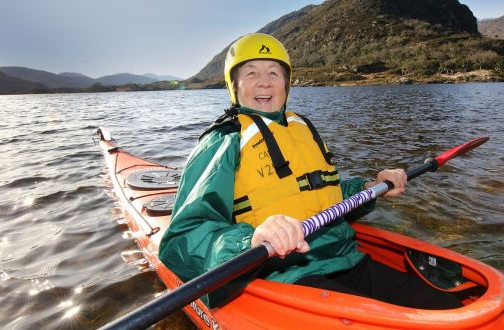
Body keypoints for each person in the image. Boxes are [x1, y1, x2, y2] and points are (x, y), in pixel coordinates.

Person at [159, 33, 461, 309]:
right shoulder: (225, 141)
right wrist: (251, 239)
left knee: (446, 308)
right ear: (234, 86)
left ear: (286, 85)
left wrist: (371, 188)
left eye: (274, 73)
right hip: (285, 276)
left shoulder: (301, 128)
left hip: (347, 258)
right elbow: (181, 240)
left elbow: (324, 195)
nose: (264, 82)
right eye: (251, 73)